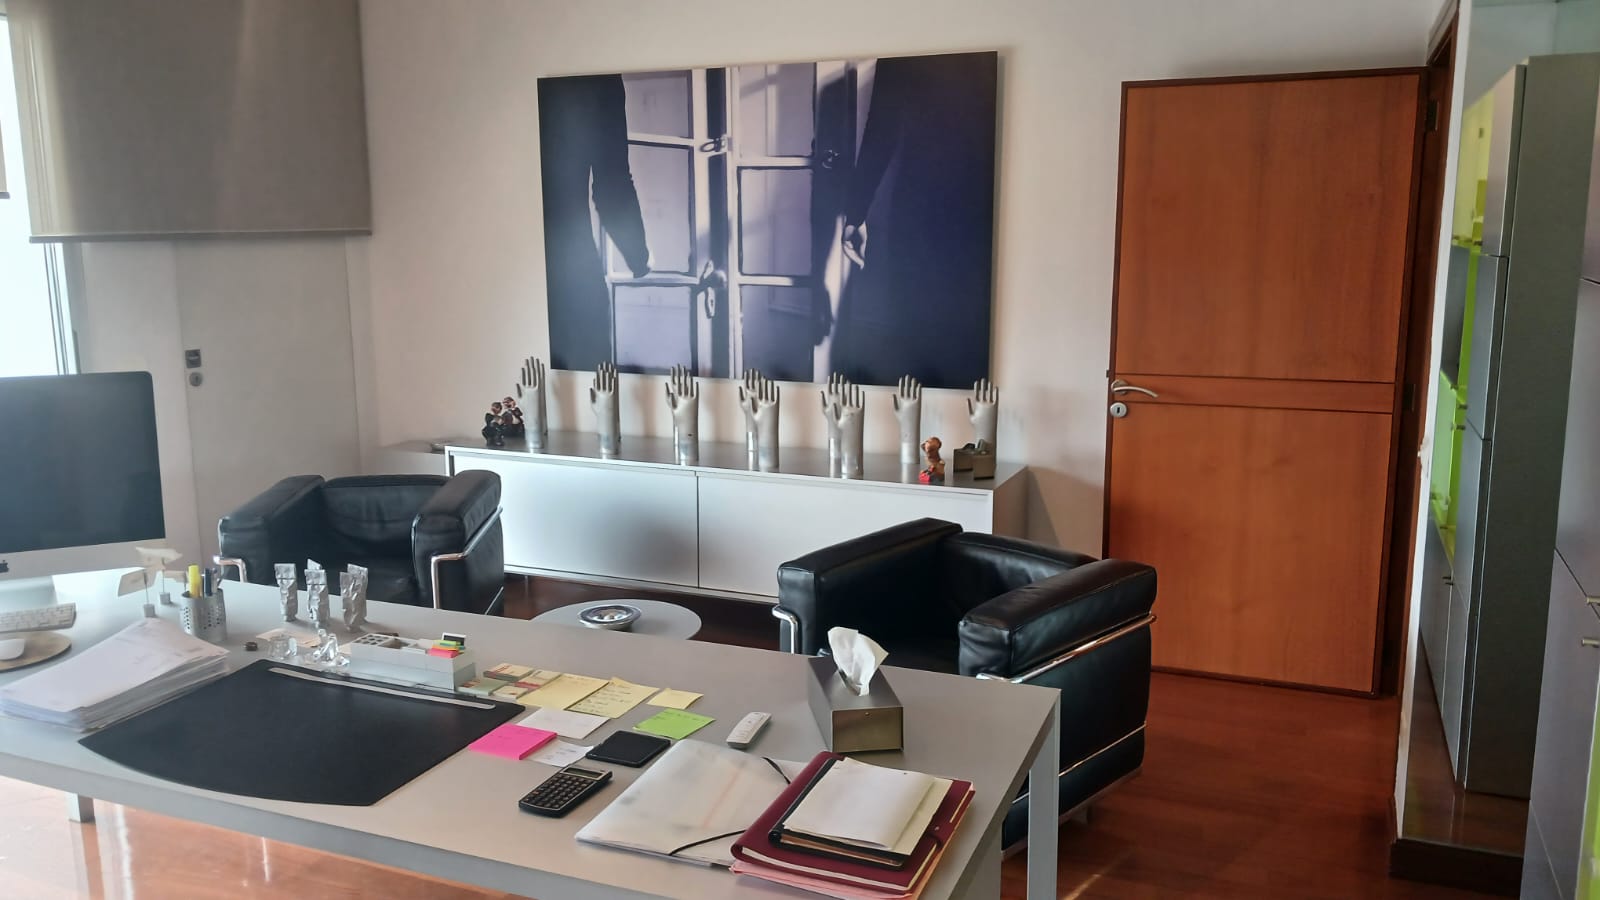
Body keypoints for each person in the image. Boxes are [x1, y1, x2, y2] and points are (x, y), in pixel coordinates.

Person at [829, 53, 997, 390]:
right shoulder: (983, 60)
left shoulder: (905, 56)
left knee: (915, 328)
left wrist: (857, 212)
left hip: (921, 202)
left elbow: (882, 128)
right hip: (979, 203)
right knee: (970, 330)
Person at [538, 74, 651, 371]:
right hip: (569, 271)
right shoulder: (598, 80)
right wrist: (639, 256)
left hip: (503, 267)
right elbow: (612, 185)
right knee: (586, 386)